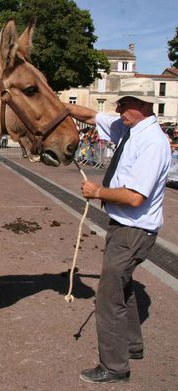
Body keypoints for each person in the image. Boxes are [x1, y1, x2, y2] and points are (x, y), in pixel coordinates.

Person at [67, 78, 171, 384]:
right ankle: (132, 345)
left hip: (133, 231)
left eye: (125, 104)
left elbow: (135, 197)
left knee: (108, 299)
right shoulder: (128, 127)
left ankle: (114, 366)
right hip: (125, 228)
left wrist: (97, 192)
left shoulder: (153, 142)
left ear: (143, 106)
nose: (118, 109)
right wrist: (53, 106)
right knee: (123, 288)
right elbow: (88, 115)